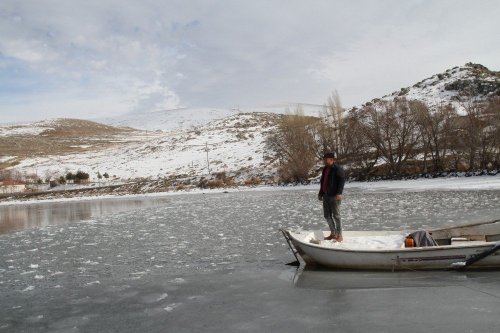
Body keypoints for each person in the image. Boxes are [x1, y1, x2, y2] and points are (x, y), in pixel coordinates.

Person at [318, 152, 346, 241]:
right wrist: (320, 193)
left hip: (334, 196)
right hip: (326, 196)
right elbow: (323, 182)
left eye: (325, 159)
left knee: (337, 216)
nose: (324, 161)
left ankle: (340, 235)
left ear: (331, 160)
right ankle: (333, 233)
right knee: (327, 216)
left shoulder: (338, 168)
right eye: (323, 159)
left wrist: (339, 193)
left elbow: (342, 181)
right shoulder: (325, 169)